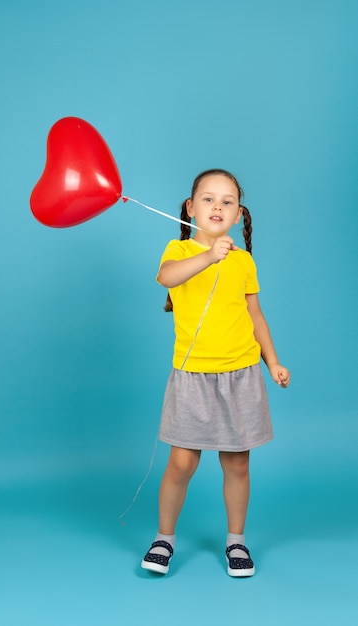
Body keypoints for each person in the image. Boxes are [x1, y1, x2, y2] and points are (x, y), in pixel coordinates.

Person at [141, 168, 290, 577]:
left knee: (237, 463)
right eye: (208, 199)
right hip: (193, 376)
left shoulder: (243, 261)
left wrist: (272, 361)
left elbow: (255, 315)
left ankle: (236, 541)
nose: (217, 207)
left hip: (240, 374)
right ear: (191, 208)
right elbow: (165, 277)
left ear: (239, 213)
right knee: (183, 463)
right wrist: (208, 255)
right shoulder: (180, 250)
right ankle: (164, 538)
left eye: (227, 201)